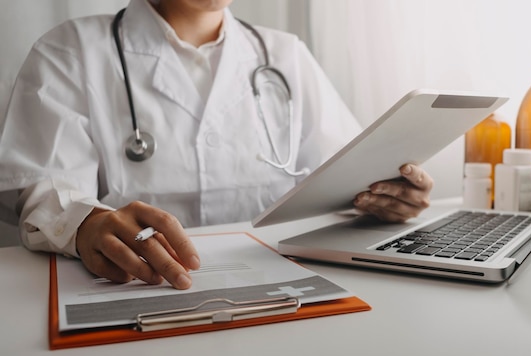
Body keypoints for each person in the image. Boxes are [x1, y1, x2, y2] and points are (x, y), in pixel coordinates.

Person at [0, 0, 433, 290]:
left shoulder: (285, 54)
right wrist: (86, 222)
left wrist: (383, 197)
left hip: (282, 289)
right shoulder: (69, 51)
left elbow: (344, 179)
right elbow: (41, 186)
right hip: (139, 292)